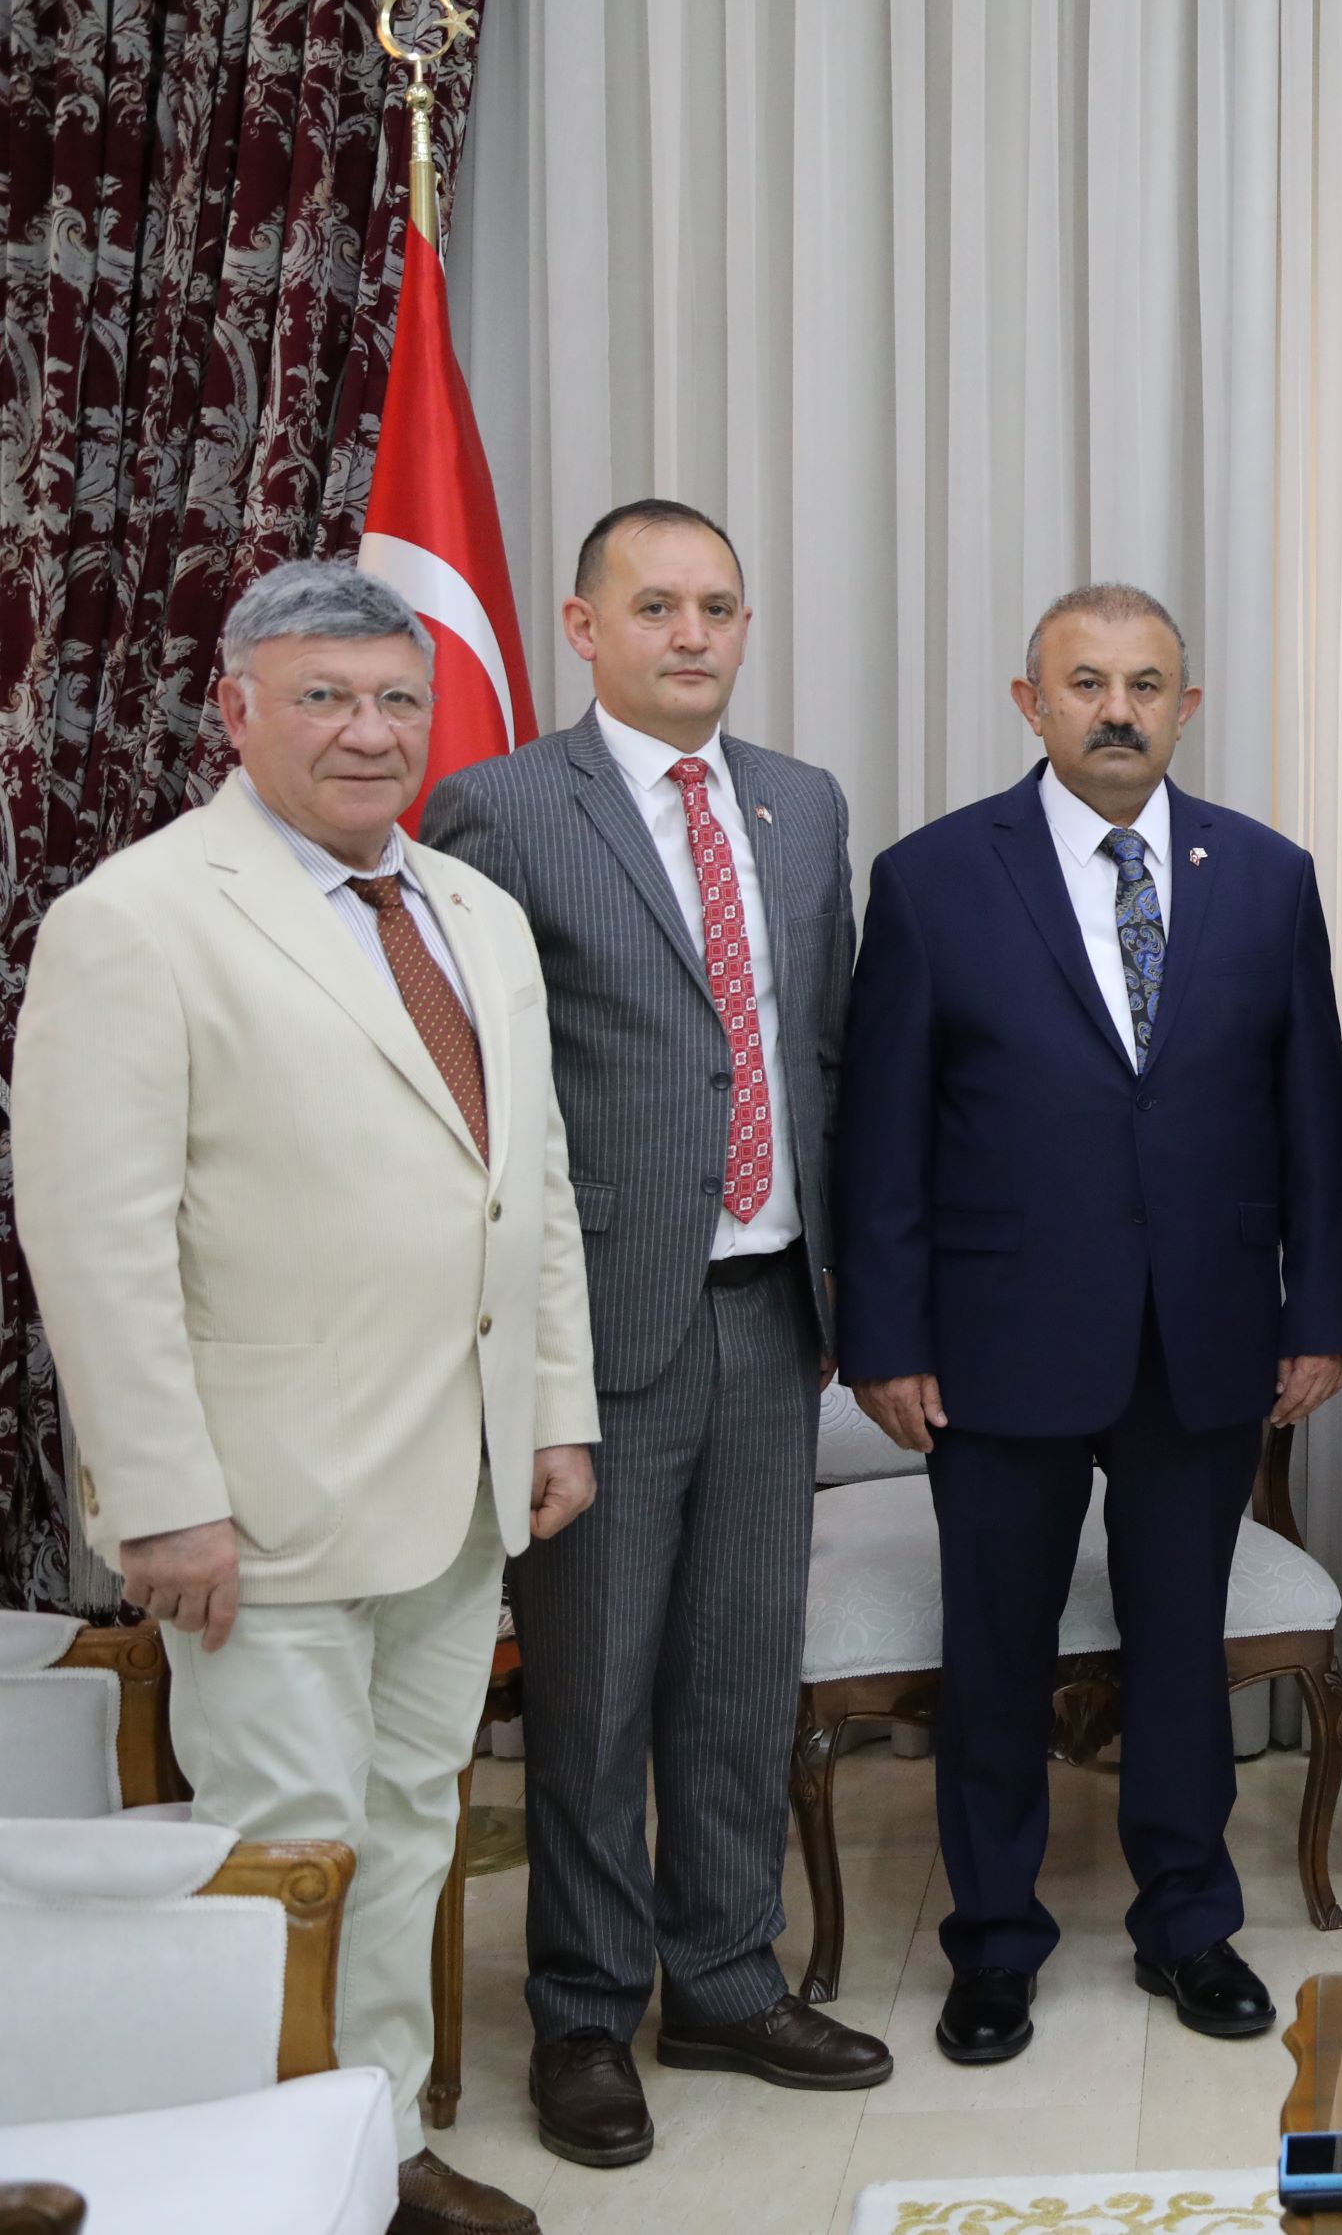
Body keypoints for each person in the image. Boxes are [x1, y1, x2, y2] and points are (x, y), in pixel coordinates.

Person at [18, 561, 597, 2235]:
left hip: (459, 1482)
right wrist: (161, 1496)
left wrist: (553, 1406)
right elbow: (96, 1243)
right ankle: (269, 2173)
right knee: (288, 1847)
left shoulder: (474, 911)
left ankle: (376, 2146)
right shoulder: (138, 917)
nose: (369, 731)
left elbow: (532, 1186)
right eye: (325, 696)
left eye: (398, 698)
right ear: (237, 709)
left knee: (411, 1828)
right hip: (254, 1509)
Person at [420, 499, 885, 2164]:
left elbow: (824, 1053)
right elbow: (474, 1091)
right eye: (657, 606)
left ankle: (725, 1977)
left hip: (773, 1309)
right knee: (596, 1691)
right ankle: (583, 2009)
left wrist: (854, 1293)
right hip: (600, 1318)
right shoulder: (499, 808)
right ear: (584, 626)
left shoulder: (801, 804)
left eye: (718, 607)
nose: (692, 634)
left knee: (741, 1676)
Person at [836, 583, 1342, 2063]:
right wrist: (885, 1337)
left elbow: (1313, 1119)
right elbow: (881, 1133)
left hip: (1207, 1333)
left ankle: (1188, 1923)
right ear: (1033, 702)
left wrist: (1319, 1311)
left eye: (1144, 685)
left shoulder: (1266, 876)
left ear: (1185, 708)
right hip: (998, 1337)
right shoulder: (934, 879)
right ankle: (995, 1940)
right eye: (1085, 683)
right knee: (996, 1649)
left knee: (1179, 1644)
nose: (1115, 710)